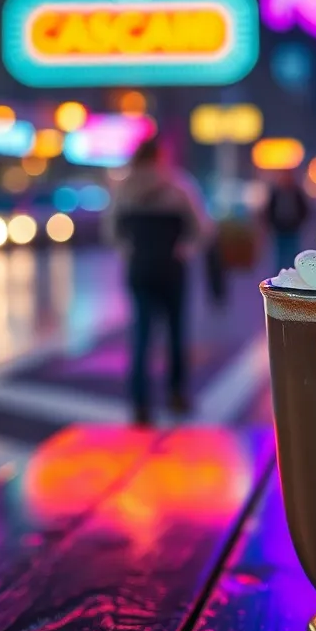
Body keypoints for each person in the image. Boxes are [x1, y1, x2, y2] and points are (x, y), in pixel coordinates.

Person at [106, 133, 213, 426]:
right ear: (160, 156)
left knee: (141, 335)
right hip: (171, 269)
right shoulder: (179, 185)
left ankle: (140, 404)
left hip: (139, 269)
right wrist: (185, 249)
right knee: (176, 332)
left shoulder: (123, 186)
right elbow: (203, 227)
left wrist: (129, 251)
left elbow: (111, 230)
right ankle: (176, 395)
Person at [266, 169, 309, 272]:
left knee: (293, 253)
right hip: (280, 227)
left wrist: (299, 221)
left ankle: (293, 273)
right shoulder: (276, 192)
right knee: (280, 254)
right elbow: (269, 209)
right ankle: (280, 274)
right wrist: (272, 223)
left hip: (292, 227)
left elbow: (304, 209)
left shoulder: (296, 192)